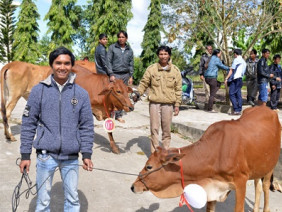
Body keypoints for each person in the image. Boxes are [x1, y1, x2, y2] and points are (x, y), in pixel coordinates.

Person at [19, 47, 95, 211]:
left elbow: (87, 126)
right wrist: (25, 155)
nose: (62, 67)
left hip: (71, 157)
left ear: (71, 66)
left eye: (67, 63)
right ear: (52, 65)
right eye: (58, 63)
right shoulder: (38, 91)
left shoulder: (81, 94)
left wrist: (87, 153)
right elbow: (28, 124)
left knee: (73, 200)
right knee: (43, 202)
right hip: (46, 157)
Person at [135, 46, 182, 153]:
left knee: (166, 131)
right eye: (161, 54)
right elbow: (144, 83)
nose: (163, 56)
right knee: (154, 129)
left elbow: (178, 89)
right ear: (158, 55)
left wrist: (177, 105)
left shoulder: (175, 71)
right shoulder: (151, 69)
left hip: (168, 105)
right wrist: (138, 93)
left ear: (169, 55)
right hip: (154, 104)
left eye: (165, 54)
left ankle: (164, 153)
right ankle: (155, 155)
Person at [107, 30, 134, 123]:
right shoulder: (112, 48)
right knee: (113, 94)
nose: (121, 39)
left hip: (125, 74)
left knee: (123, 95)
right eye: (119, 37)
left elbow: (131, 63)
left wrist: (131, 76)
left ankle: (118, 115)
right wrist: (111, 74)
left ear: (126, 38)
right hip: (115, 74)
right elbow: (108, 61)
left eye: (123, 37)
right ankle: (109, 114)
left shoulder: (129, 50)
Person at [225, 49, 246, 115]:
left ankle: (236, 109)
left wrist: (226, 78)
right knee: (238, 95)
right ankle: (239, 109)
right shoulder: (243, 61)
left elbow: (231, 70)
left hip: (235, 79)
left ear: (235, 54)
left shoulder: (236, 60)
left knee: (231, 94)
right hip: (240, 79)